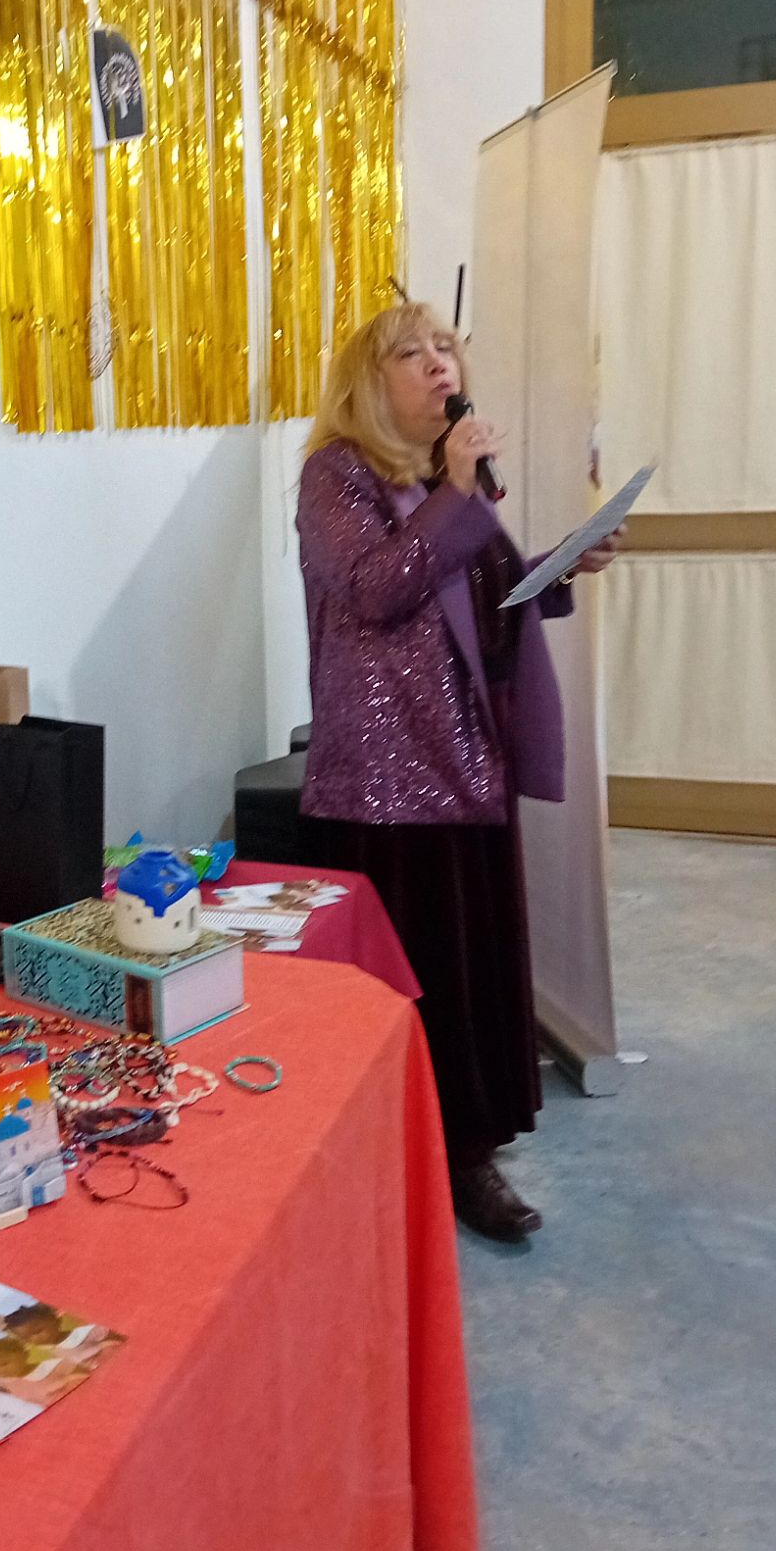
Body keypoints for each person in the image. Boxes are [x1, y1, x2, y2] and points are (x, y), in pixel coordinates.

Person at [297, 302, 622, 1242]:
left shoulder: (444, 486)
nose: (440, 363)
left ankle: (465, 1150)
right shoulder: (336, 474)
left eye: (446, 347)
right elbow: (376, 589)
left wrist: (560, 566)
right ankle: (410, 1153)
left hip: (467, 760)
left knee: (471, 974)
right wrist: (458, 489)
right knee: (414, 982)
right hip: (385, 781)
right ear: (369, 385)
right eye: (413, 352)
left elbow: (484, 604)